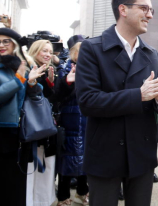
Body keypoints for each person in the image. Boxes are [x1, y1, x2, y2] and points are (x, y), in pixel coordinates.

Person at [75, 0, 158, 206]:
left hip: (142, 151)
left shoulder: (150, 53)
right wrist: (139, 95)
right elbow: (88, 102)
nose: (149, 15)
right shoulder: (92, 49)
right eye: (144, 8)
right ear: (123, 9)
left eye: (151, 10)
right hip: (105, 150)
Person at [0, 28, 44, 206]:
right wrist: (19, 78)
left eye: (6, 41)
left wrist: (32, 82)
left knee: (17, 182)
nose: (1, 45)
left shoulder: (23, 65)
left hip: (22, 132)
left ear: (15, 44)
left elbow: (36, 95)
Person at [55, 35, 89, 206]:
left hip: (87, 120)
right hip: (70, 119)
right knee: (67, 160)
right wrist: (68, 83)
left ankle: (82, 193)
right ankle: (63, 195)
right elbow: (58, 96)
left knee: (85, 158)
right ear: (74, 52)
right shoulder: (64, 68)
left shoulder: (91, 68)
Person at [27, 39, 59, 206]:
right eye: (44, 51)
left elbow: (50, 98)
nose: (48, 54)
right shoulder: (28, 67)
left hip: (45, 127)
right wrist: (32, 82)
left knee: (45, 166)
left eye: (50, 51)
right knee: (33, 168)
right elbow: (32, 97)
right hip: (34, 127)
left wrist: (50, 82)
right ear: (35, 51)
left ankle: (42, 201)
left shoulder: (45, 70)